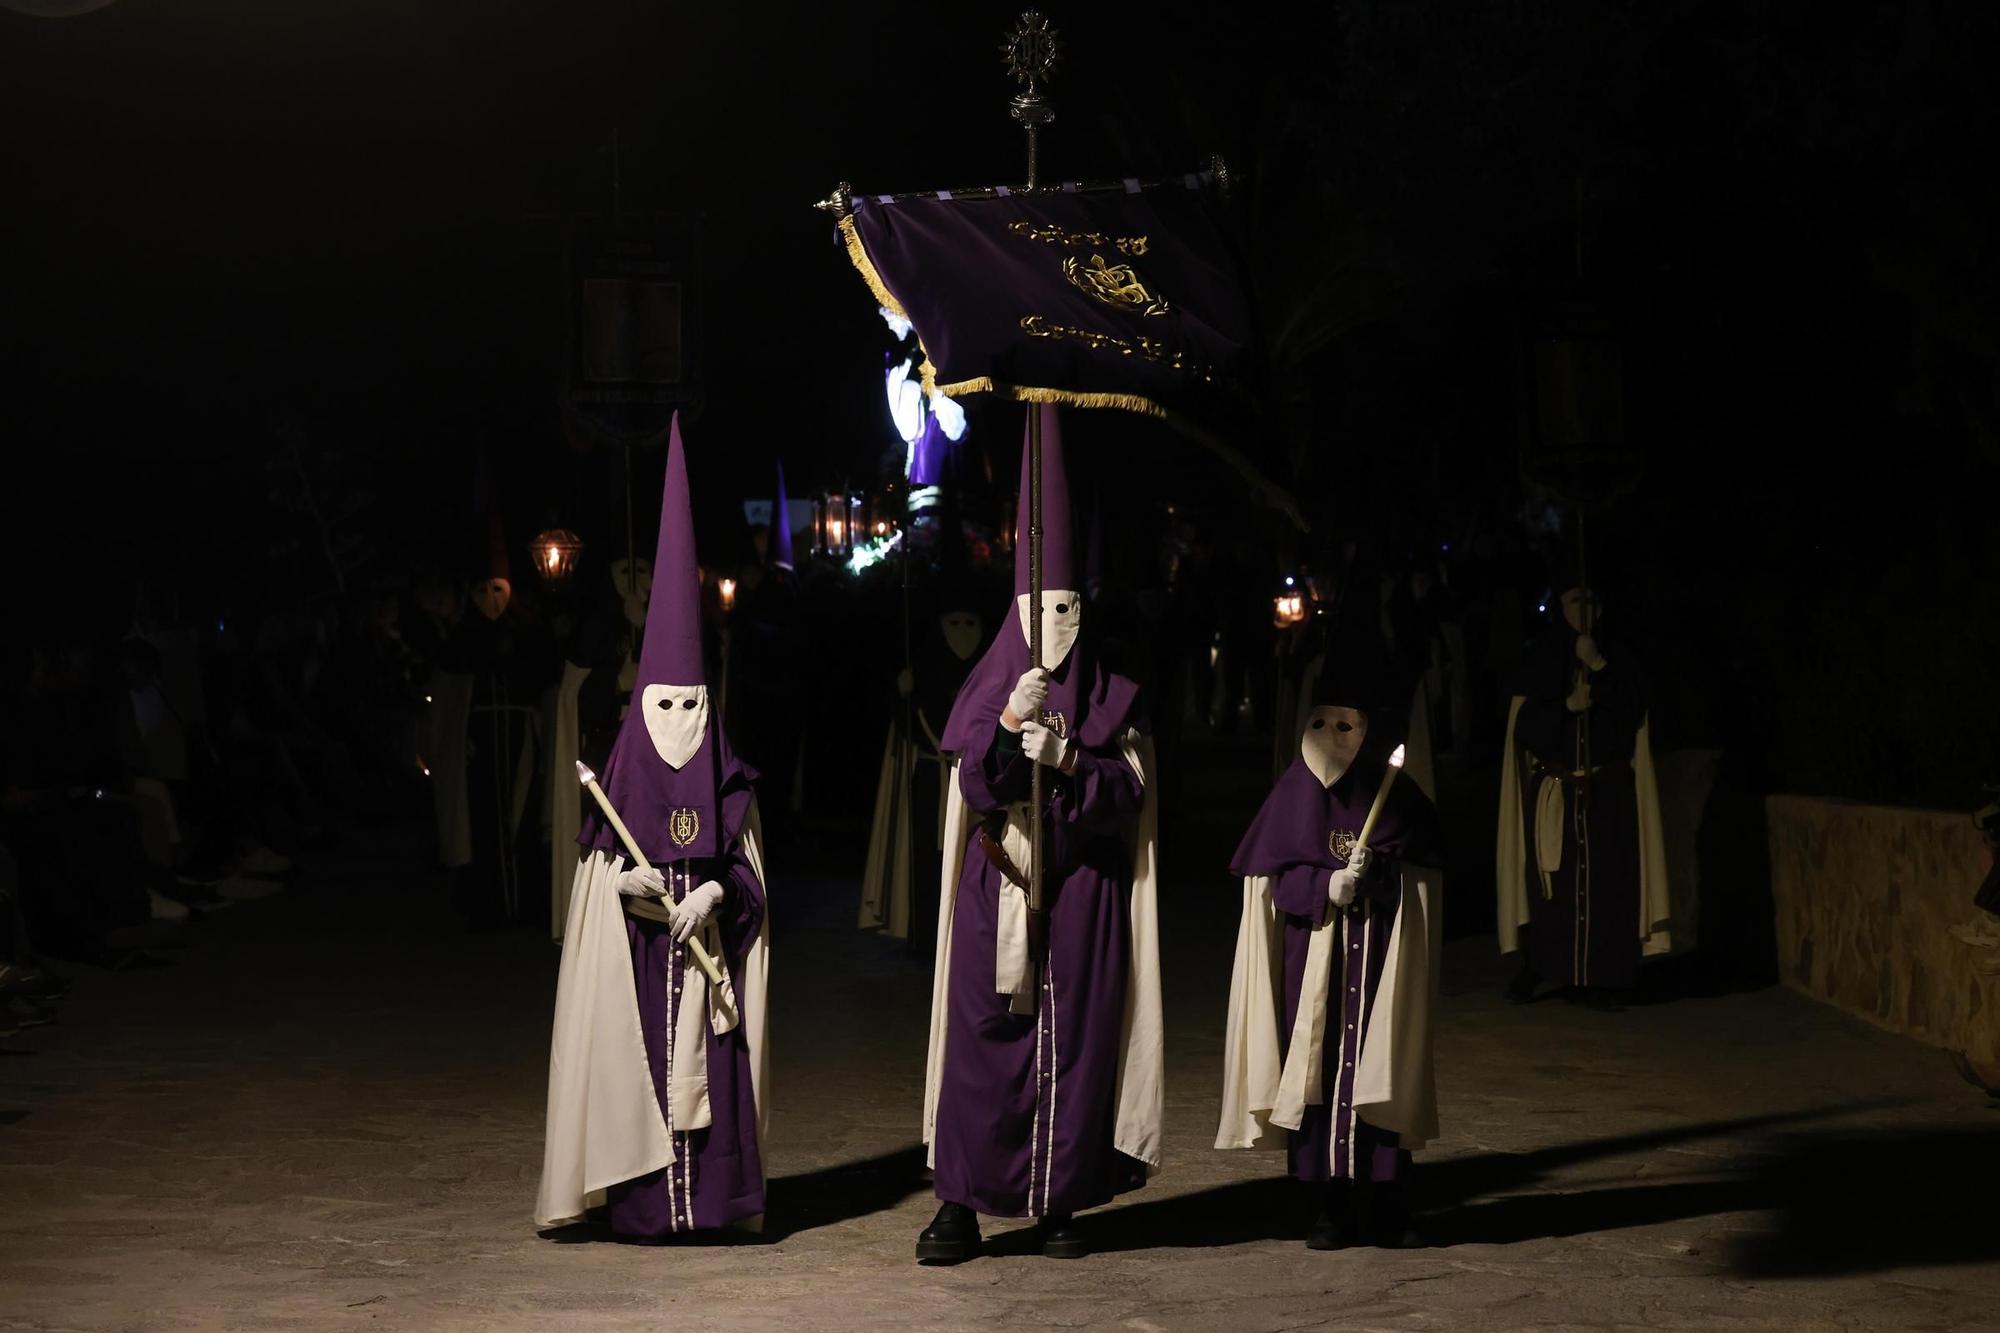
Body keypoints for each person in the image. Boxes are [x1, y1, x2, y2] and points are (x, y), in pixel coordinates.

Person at [915, 405, 1163, 1263]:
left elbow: (1130, 792)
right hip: (1001, 882)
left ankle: (1061, 1201)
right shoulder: (993, 684)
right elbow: (973, 783)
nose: (1057, 622)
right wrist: (1009, 719)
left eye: (1069, 606)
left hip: (1083, 891)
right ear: (1017, 609)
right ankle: (961, 1203)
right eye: (1041, 607)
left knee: (1075, 1043)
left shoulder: (1111, 695)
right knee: (986, 1040)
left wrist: (1069, 759)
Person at [537, 416, 771, 1239]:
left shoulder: (728, 779)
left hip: (707, 973)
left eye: (690, 704)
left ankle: (715, 1204)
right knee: (640, 1070)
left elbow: (751, 881)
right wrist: (621, 888)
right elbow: (594, 891)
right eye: (662, 703)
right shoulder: (622, 778)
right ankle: (640, 1203)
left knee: (715, 1071)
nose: (676, 718)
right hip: (639, 966)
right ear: (642, 706)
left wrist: (712, 890)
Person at [1217, 648, 1442, 1248]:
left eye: (1347, 725)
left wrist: (1378, 872)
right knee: (1314, 1070)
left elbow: (1426, 866)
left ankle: (1389, 1199)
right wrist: (1323, 882)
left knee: (1381, 1066)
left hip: (1379, 957)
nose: (1331, 738)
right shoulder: (1291, 792)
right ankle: (1328, 1202)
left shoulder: (1397, 794)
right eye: (1319, 723)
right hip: (1309, 959)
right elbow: (1269, 883)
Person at [1495, 559, 1670, 1009]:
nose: (1584, 610)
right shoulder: (1540, 656)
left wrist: (1600, 667)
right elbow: (1525, 727)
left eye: (1591, 600)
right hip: (1556, 790)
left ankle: (1604, 975)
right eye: (1575, 601)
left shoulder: (1620, 656)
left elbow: (1632, 716)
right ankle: (1544, 965)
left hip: (1605, 792)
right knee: (1551, 885)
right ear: (1560, 605)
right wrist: (1566, 706)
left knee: (1608, 885)